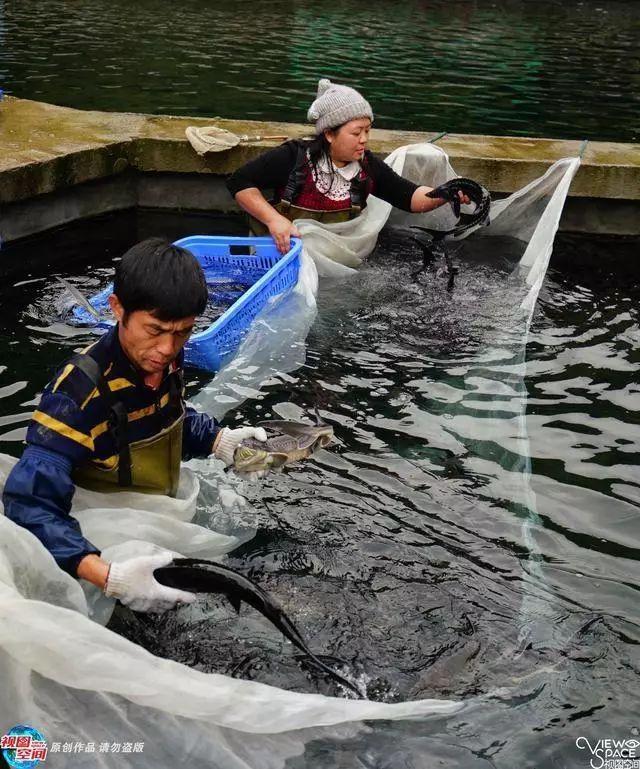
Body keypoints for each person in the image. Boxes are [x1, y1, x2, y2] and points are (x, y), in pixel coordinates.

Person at [2, 238, 267, 613]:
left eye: (183, 332)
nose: (168, 347)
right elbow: (29, 505)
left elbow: (164, 417)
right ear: (116, 309)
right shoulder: (75, 395)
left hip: (151, 511)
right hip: (94, 538)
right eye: (155, 330)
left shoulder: (162, 360)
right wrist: (107, 575)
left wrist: (219, 441)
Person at [227, 78, 471, 254]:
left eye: (367, 130)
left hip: (338, 259)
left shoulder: (367, 167)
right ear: (330, 134)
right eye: (356, 132)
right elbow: (239, 182)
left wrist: (446, 193)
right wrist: (274, 220)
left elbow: (409, 197)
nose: (364, 139)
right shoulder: (294, 157)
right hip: (282, 255)